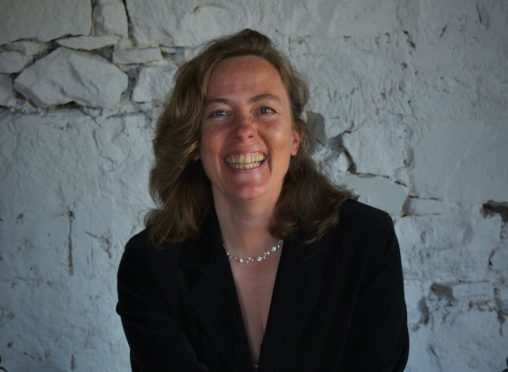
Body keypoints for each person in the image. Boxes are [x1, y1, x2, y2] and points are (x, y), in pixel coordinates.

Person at [116, 29, 409, 371]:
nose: (244, 130)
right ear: (194, 143)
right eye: (220, 113)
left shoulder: (366, 241)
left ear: (296, 138)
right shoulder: (150, 263)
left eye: (265, 109)